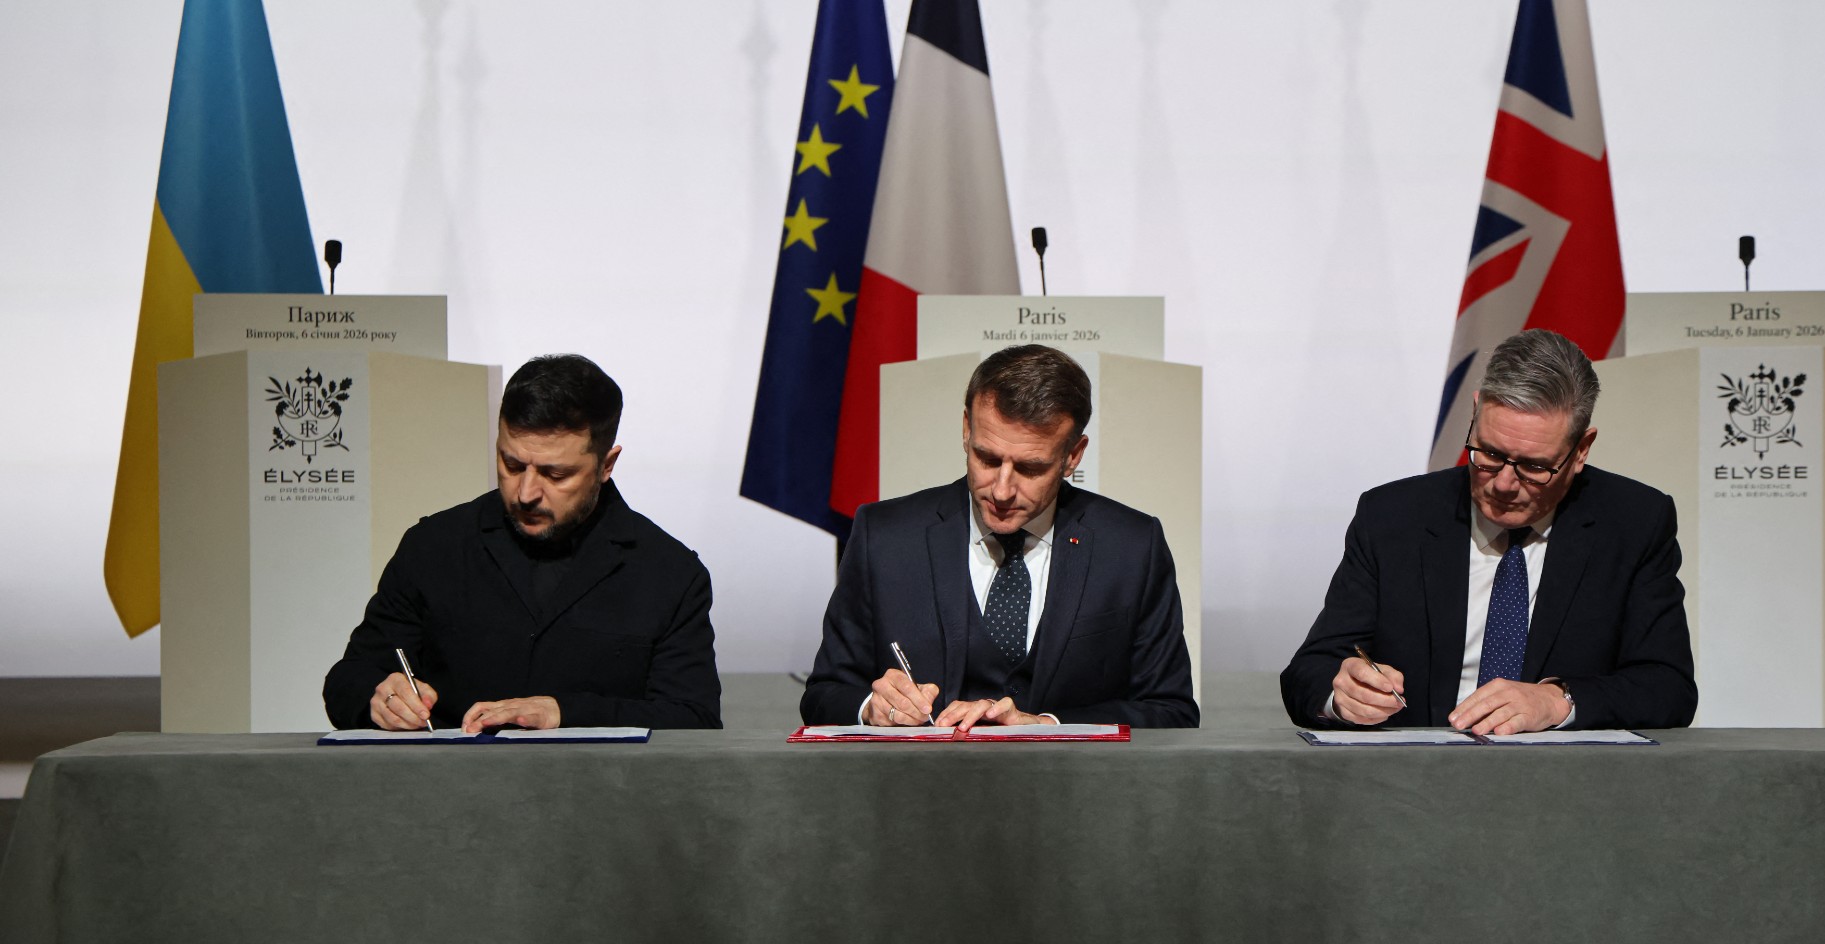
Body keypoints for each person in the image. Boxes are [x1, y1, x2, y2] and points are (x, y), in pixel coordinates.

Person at [1281, 328, 1696, 734]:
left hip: (1568, 785)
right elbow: (1309, 671)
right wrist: (1343, 695)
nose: (1503, 484)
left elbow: (1668, 687)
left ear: (1581, 450)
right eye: (1490, 454)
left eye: (1534, 466)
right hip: (1411, 784)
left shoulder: (1634, 522)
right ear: (1476, 412)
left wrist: (1557, 701)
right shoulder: (1392, 517)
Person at [802, 344, 1199, 730]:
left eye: (1030, 468)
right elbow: (823, 695)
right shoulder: (884, 537)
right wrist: (872, 707)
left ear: (1073, 456)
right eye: (987, 459)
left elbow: (1172, 712)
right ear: (965, 429)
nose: (1003, 489)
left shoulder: (1131, 547)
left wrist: (1047, 726)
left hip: (1075, 792)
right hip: (916, 792)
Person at [324, 354, 721, 732]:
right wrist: (379, 698)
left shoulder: (670, 574)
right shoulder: (433, 546)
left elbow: (693, 720)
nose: (526, 492)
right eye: (511, 465)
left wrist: (563, 713)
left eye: (556, 474)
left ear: (607, 465)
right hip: (443, 795)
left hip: (601, 797)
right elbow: (349, 680)